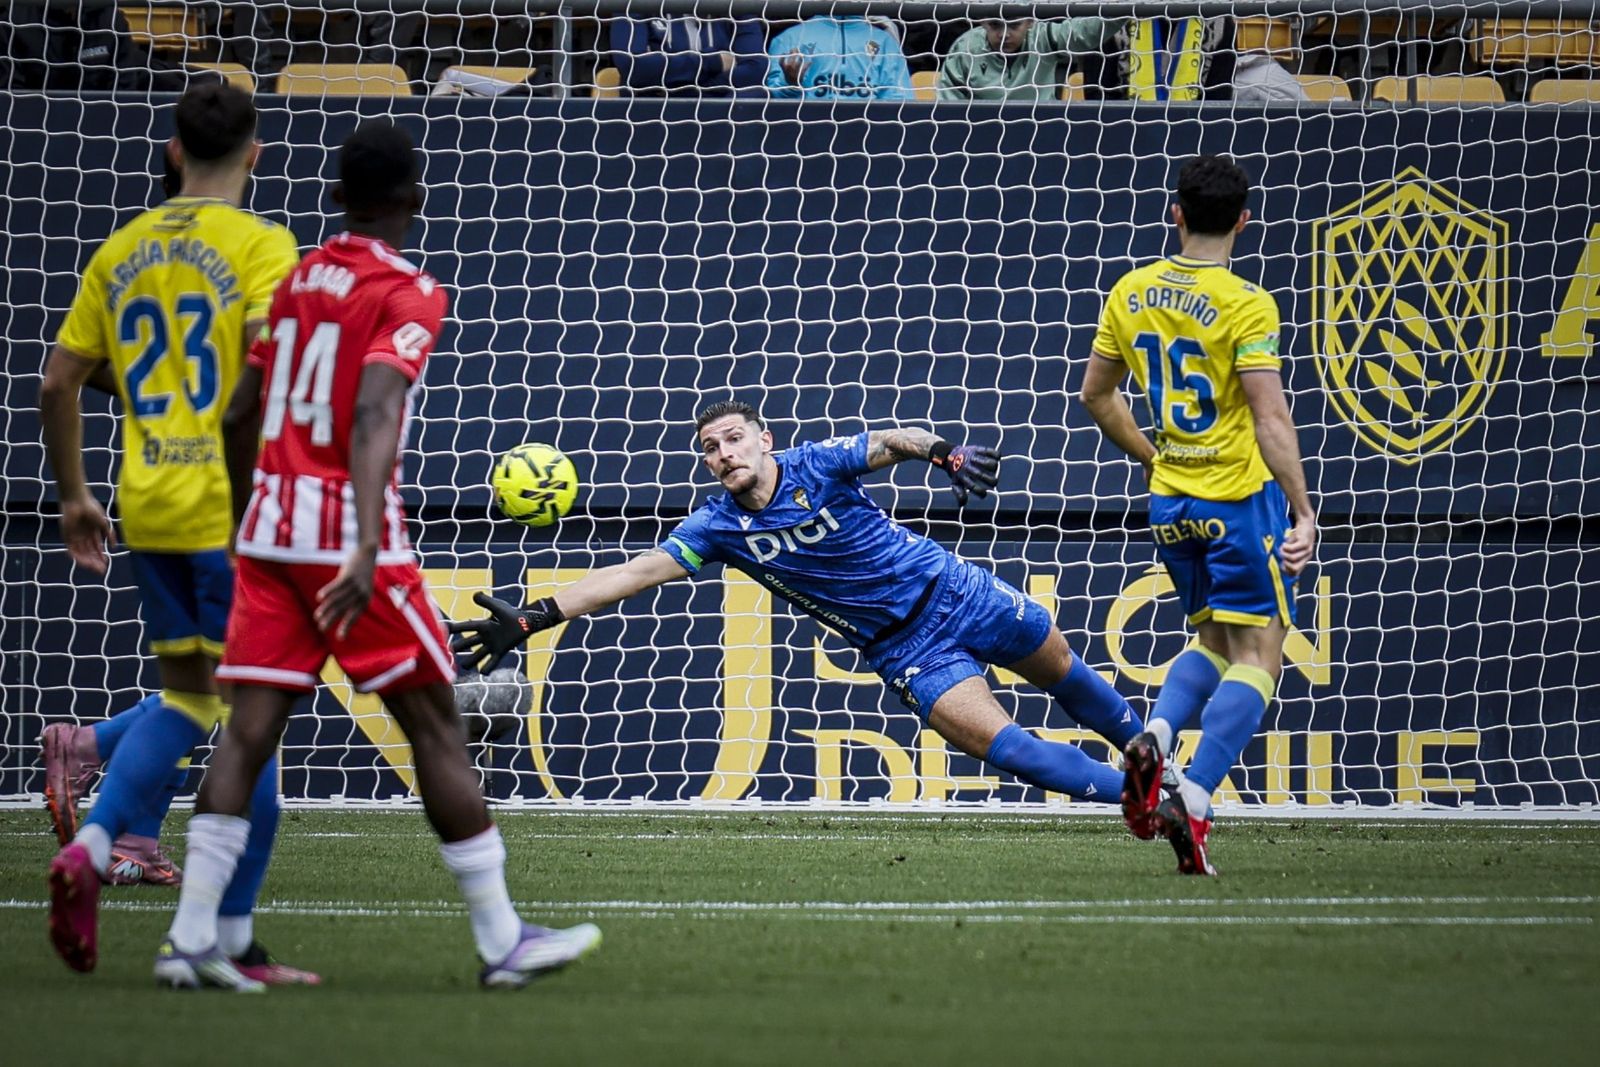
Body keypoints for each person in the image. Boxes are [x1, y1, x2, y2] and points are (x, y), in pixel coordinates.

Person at [155, 120, 601, 992]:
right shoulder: (409, 291)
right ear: (417, 198)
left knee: (247, 728)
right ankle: (503, 937)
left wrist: (258, 509)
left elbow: (240, 412)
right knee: (437, 723)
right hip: (342, 534)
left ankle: (189, 939)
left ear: (334, 197)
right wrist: (361, 539)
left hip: (271, 524)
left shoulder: (294, 280)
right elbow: (372, 413)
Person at [450, 401, 1147, 811]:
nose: (723, 454)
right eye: (710, 449)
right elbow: (634, 572)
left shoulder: (817, 462)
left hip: (955, 590)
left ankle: (1157, 762)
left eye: (733, 439)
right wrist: (534, 615)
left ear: (764, 440)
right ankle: (1143, 801)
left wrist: (943, 452)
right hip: (907, 650)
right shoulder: (716, 527)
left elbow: (889, 439)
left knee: (1063, 673)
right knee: (1009, 750)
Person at [40, 83, 310, 982]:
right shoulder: (264, 245)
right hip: (228, 509)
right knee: (251, 721)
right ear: (258, 153)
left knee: (194, 700)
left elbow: (59, 380)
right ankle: (228, 938)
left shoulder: (121, 250)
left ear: (169, 151)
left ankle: (94, 844)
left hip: (145, 499)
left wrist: (78, 496)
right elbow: (262, 383)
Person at [1078, 155, 1316, 875]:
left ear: (1174, 213)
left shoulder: (1131, 290)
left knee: (1212, 638)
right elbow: (1269, 415)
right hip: (1239, 500)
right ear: (1245, 219)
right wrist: (1302, 508)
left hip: (1171, 499)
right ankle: (1200, 794)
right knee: (1260, 651)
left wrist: (1154, 457)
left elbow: (1095, 395)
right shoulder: (1247, 302)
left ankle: (1153, 733)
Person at [937, 12, 1120, 102]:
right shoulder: (965, 49)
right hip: (981, 137)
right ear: (983, 22)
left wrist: (1124, 10)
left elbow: (1086, 32)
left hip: (1042, 132)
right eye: (995, 25)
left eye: (1014, 25)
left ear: (1030, 22)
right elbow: (949, 107)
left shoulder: (1044, 38)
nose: (1004, 34)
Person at [610, 15, 766, 96]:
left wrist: (674, 87)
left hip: (720, 116)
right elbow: (632, 67)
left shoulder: (737, 6)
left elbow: (755, 70)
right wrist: (714, 62)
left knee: (755, 94)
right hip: (653, 116)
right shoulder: (636, 5)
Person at [766, 15, 913, 100]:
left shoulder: (885, 42)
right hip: (805, 141)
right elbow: (772, 106)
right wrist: (791, 84)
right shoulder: (789, 38)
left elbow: (900, 104)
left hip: (869, 142)